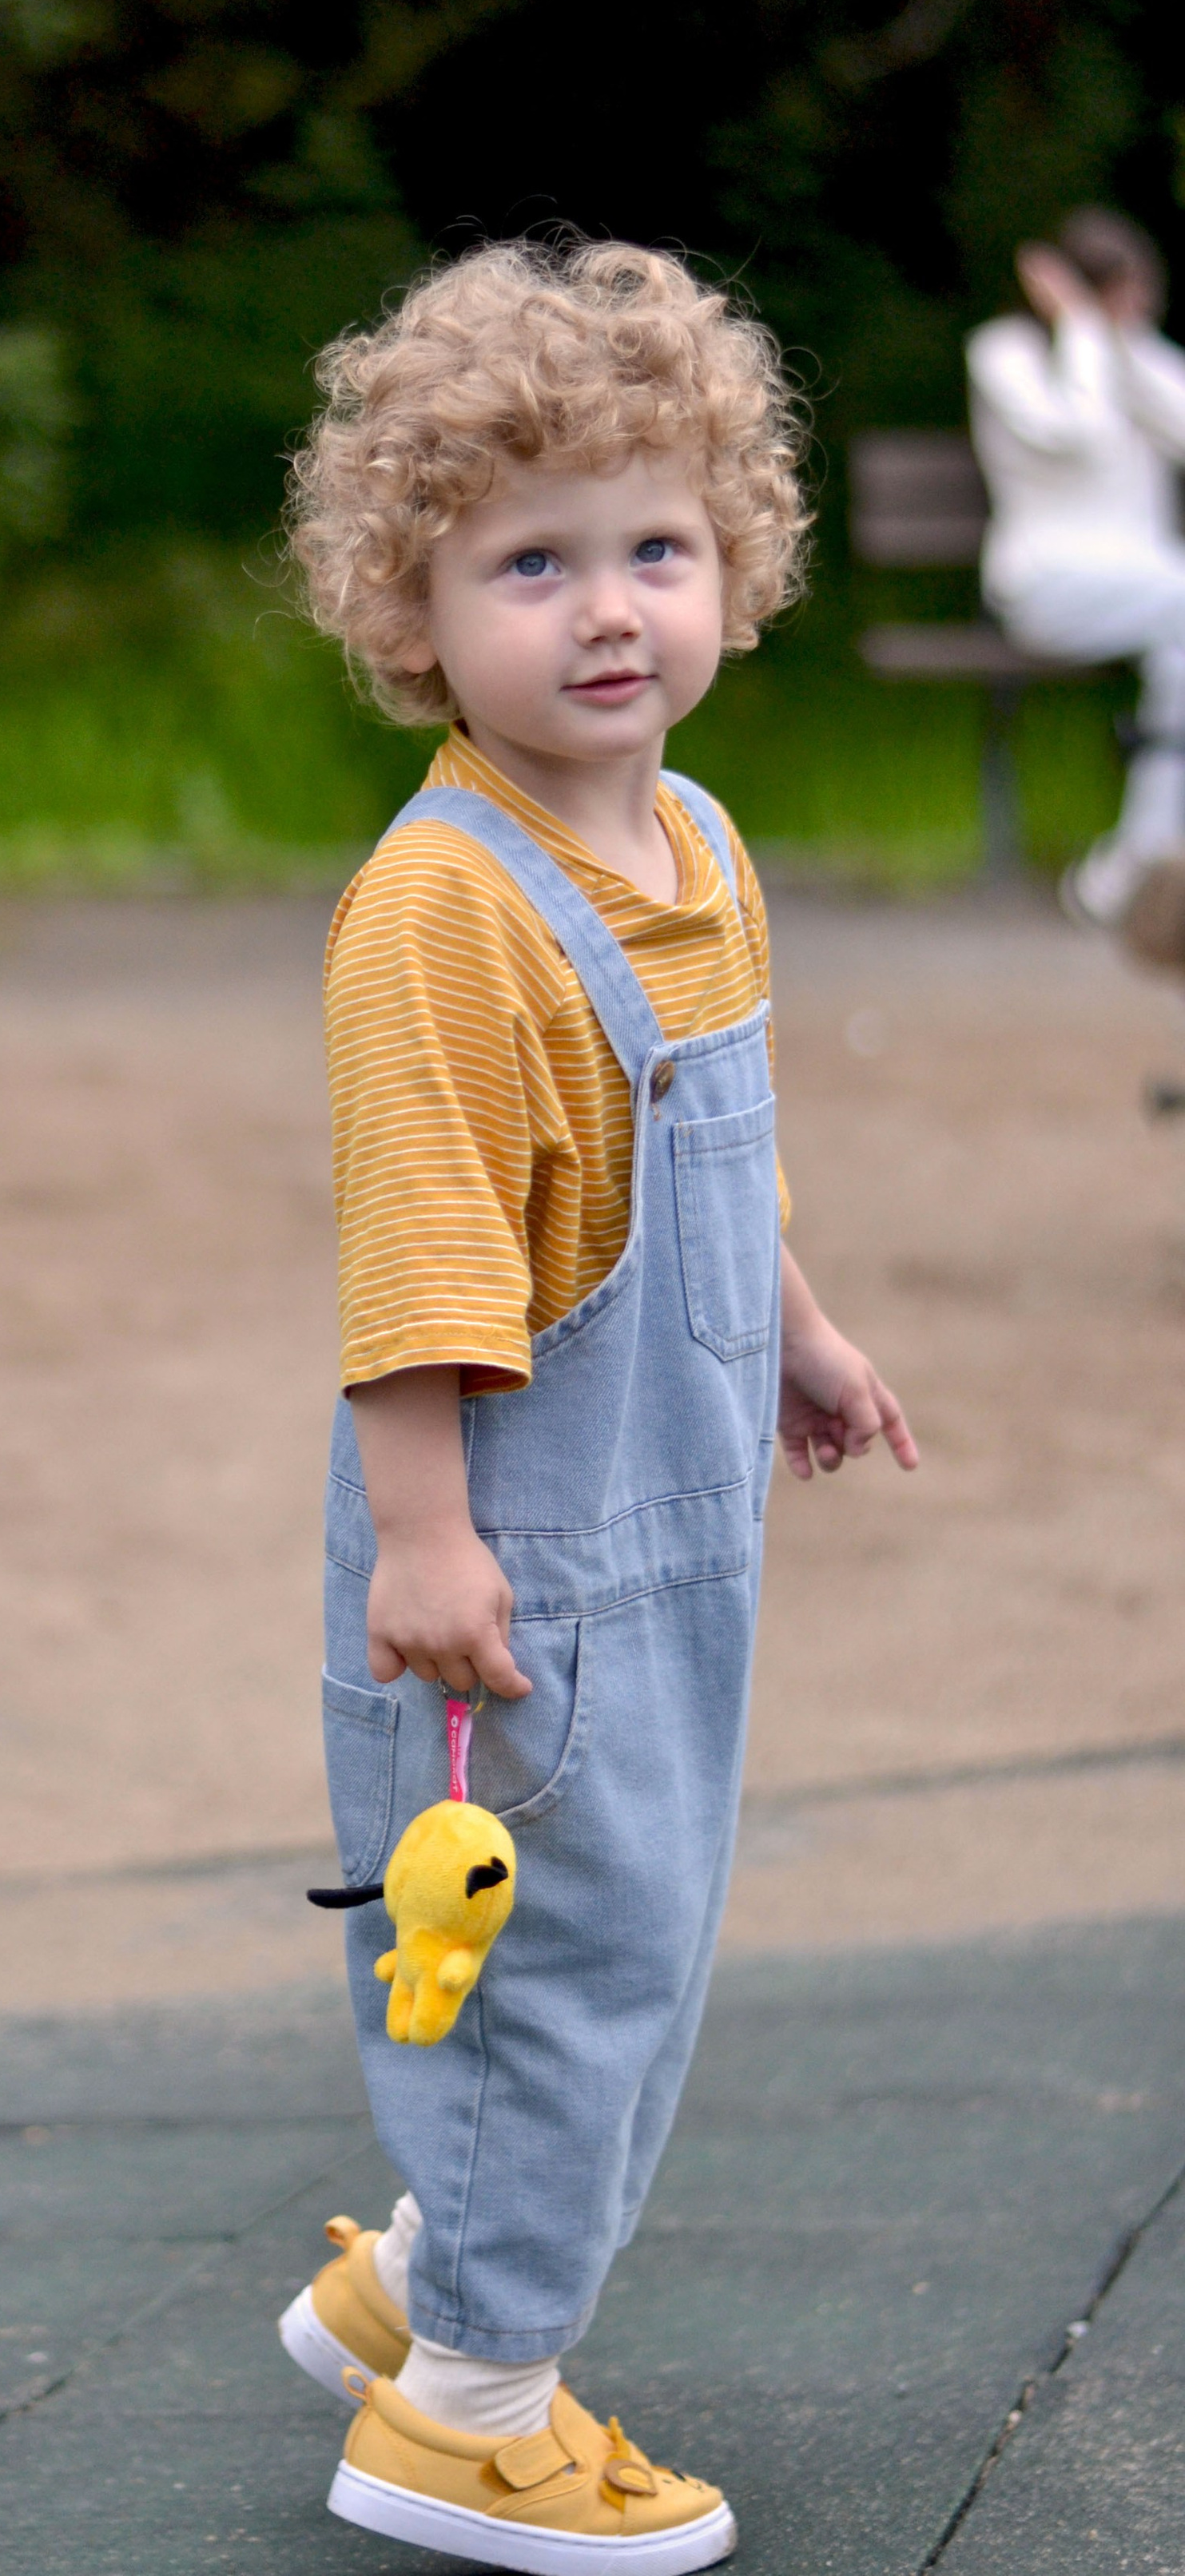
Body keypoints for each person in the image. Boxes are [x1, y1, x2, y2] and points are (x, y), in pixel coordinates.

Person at [274, 237, 916, 2571]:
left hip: (675, 1524)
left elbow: (701, 1153)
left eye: (652, 544)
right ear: (408, 612)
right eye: (524, 563)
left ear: (733, 558)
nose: (606, 607)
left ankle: (426, 2275)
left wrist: (801, 1332)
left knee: (638, 1929)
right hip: (514, 1544)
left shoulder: (696, 843)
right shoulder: (445, 907)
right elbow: (422, 1252)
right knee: (556, 1953)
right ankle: (468, 2401)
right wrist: (425, 1541)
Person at [968, 206, 1185, 925]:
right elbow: (1080, 432)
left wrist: (1122, 348)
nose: (1138, 313)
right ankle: (1133, 870)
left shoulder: (1126, 357)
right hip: (1045, 590)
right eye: (1121, 297)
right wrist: (1083, 331)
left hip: (1150, 596)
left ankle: (1128, 873)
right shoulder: (1004, 355)